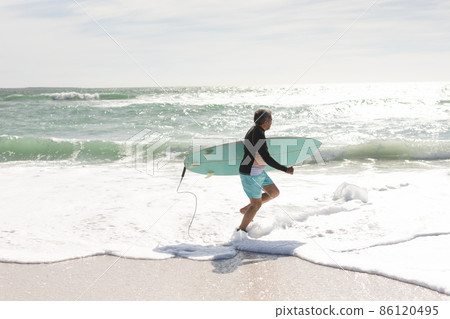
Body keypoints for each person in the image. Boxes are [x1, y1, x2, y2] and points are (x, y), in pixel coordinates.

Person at [237, 108, 294, 232]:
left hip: (258, 172)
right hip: (251, 173)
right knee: (256, 204)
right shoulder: (257, 134)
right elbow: (266, 158)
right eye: (271, 120)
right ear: (265, 121)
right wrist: (285, 169)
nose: (271, 122)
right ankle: (240, 232)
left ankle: (247, 209)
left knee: (273, 192)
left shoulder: (256, 131)